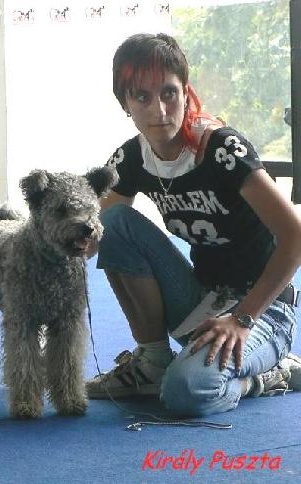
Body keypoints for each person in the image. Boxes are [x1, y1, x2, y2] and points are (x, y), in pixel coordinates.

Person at [85, 33, 301, 417]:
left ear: (186, 92)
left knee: (186, 391)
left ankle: (269, 375)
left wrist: (243, 318)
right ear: (124, 103)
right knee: (112, 221)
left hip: (263, 311)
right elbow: (91, 235)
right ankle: (152, 361)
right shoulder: (131, 158)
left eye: (169, 93)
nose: (159, 110)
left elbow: (295, 236)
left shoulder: (220, 149)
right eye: (142, 96)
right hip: (204, 302)